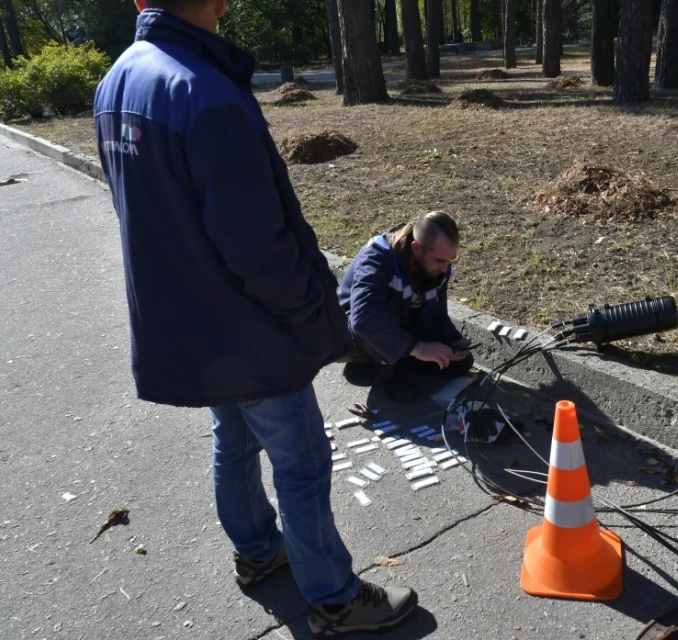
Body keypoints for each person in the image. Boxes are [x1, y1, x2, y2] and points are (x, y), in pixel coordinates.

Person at [93, 0, 417, 635]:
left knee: (234, 441)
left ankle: (258, 552)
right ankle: (335, 598)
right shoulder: (204, 91)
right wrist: (307, 313)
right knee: (300, 460)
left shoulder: (118, 80)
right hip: (248, 326)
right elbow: (254, 243)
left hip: (192, 324)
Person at [339, 211, 473, 401]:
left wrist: (452, 342)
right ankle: (387, 371)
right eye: (440, 260)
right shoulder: (377, 258)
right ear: (417, 248)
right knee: (385, 310)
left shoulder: (438, 266)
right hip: (352, 333)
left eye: (450, 260)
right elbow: (364, 319)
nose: (446, 268)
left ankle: (388, 361)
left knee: (461, 363)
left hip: (399, 327)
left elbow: (436, 313)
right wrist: (418, 349)